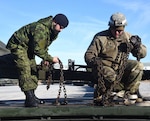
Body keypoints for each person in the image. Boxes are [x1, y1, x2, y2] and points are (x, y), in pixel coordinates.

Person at [6, 13, 69, 107]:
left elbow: (43, 46)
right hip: (18, 45)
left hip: (29, 48)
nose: (61, 30)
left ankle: (32, 96)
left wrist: (46, 58)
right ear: (55, 22)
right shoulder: (41, 28)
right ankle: (29, 99)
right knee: (25, 68)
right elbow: (38, 49)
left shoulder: (53, 32)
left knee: (33, 70)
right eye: (61, 27)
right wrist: (50, 58)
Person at [84, 12, 147, 106]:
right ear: (110, 27)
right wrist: (95, 61)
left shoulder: (128, 37)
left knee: (138, 66)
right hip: (104, 67)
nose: (117, 33)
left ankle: (129, 93)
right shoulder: (100, 38)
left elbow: (142, 54)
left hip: (120, 66)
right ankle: (115, 92)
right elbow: (88, 55)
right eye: (115, 30)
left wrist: (138, 47)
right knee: (111, 76)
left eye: (120, 31)